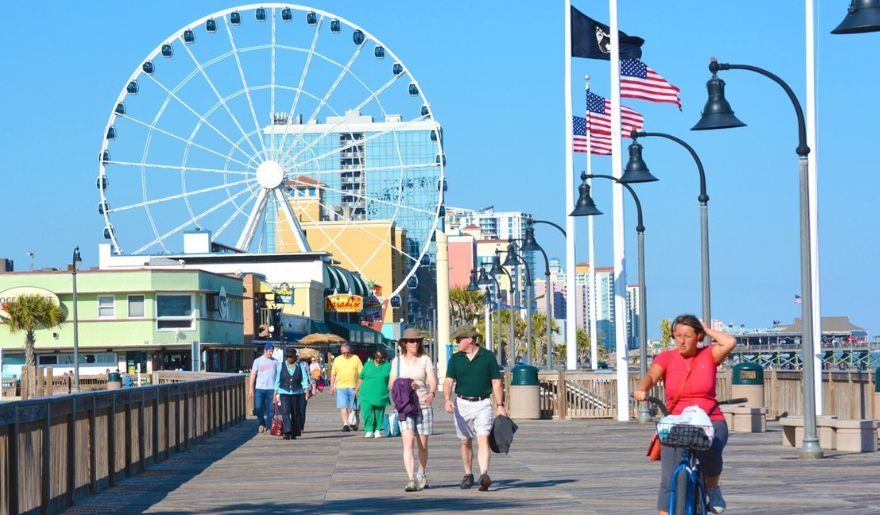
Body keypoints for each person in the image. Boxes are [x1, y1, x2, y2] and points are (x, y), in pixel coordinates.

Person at [634, 314, 737, 515]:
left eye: (687, 336)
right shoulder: (666, 357)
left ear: (698, 337)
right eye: (677, 335)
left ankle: (713, 488)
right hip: (677, 419)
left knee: (712, 450)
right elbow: (652, 375)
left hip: (709, 417)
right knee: (667, 478)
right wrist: (642, 388)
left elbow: (730, 341)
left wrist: (707, 330)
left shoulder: (709, 354)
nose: (681, 340)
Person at [443, 324, 506, 492]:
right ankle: (468, 474)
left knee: (483, 438)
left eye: (459, 339)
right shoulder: (455, 359)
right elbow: (448, 381)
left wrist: (500, 405)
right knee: (465, 441)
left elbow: (496, 382)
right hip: (462, 403)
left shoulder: (488, 357)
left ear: (469, 340)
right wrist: (447, 399)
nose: (456, 342)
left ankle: (484, 474)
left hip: (483, 403)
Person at [389, 328, 438, 492]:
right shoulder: (397, 361)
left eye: (417, 341)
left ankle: (421, 473)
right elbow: (391, 384)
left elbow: (432, 380)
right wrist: (404, 384)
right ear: (404, 343)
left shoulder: (425, 359)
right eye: (411, 341)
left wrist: (432, 392)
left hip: (423, 404)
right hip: (405, 406)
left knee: (422, 445)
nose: (415, 343)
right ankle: (411, 479)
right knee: (408, 442)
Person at [274, 347, 312, 440]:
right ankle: (287, 432)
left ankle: (294, 432)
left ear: (295, 357)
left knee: (295, 413)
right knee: (285, 412)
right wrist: (275, 393)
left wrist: (306, 389)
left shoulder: (300, 366)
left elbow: (304, 379)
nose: (289, 358)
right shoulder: (280, 366)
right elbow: (277, 380)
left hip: (297, 392)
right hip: (284, 392)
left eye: (291, 357)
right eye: (288, 357)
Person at [356, 349, 391, 439]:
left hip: (381, 393)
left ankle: (377, 430)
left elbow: (392, 379)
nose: (379, 359)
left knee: (379, 413)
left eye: (381, 357)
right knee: (366, 412)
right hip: (365, 393)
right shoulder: (368, 364)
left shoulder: (388, 366)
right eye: (377, 357)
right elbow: (361, 377)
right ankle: (369, 429)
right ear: (374, 356)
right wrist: (356, 389)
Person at [330, 343, 363, 432]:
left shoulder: (355, 358)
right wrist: (332, 386)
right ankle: (345, 424)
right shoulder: (337, 360)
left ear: (350, 351)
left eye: (347, 352)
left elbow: (361, 373)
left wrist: (360, 385)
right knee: (343, 406)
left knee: (356, 407)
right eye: (344, 353)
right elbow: (333, 374)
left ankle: (355, 421)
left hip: (354, 387)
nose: (346, 354)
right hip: (341, 387)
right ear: (341, 352)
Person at [249, 343, 279, 434]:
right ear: (265, 351)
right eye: (270, 351)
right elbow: (253, 374)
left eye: (272, 351)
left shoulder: (275, 362)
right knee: (258, 407)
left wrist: (277, 390)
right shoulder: (257, 361)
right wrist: (251, 388)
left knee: (271, 410)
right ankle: (262, 423)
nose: (271, 353)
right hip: (259, 388)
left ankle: (269, 426)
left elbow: (278, 376)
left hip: (271, 389)